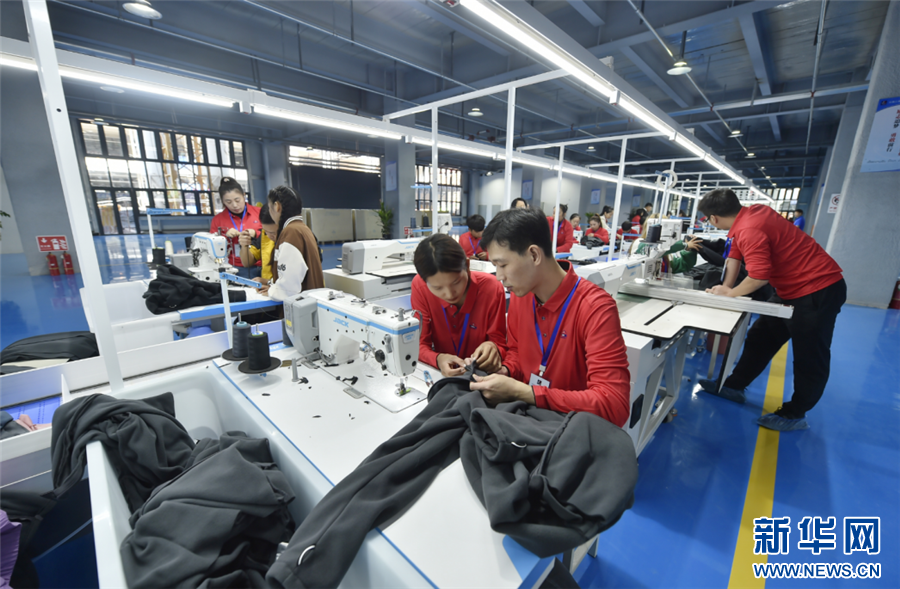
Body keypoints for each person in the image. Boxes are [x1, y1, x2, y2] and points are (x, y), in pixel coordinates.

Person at [696, 189, 846, 431]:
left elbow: (758, 277)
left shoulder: (749, 229)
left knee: (809, 354)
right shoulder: (752, 213)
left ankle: (795, 414)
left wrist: (730, 294)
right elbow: (734, 255)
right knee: (761, 336)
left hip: (817, 289)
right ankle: (733, 386)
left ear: (713, 218)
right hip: (790, 289)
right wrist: (726, 287)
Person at [469, 208, 631, 425]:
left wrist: (527, 393)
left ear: (534, 255)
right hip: (528, 421)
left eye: (503, 265)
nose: (499, 276)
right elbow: (517, 351)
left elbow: (614, 404)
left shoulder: (595, 309)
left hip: (570, 428)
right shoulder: (521, 295)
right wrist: (505, 371)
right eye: (495, 266)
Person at [410, 234, 507, 378]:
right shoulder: (420, 287)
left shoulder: (492, 289)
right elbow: (419, 344)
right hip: (442, 375)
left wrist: (493, 349)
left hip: (481, 376)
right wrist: (438, 359)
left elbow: (500, 343)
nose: (449, 294)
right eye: (437, 288)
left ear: (467, 265)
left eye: (456, 282)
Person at [258, 186, 324, 301]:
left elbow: (288, 289)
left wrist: (272, 291)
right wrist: (272, 285)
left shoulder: (290, 232)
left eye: (269, 207)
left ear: (277, 206)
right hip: (311, 301)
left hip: (301, 304)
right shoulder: (302, 228)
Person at [209, 177, 262, 278]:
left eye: (237, 200)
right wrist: (225, 237)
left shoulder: (260, 212)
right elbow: (212, 247)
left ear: (244, 195)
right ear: (223, 201)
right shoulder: (218, 220)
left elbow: (273, 234)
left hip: (265, 264)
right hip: (238, 267)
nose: (234, 205)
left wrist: (256, 233)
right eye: (228, 202)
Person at [238, 204, 276, 284]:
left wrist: (268, 282)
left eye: (273, 232)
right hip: (268, 286)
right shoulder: (264, 234)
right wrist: (244, 245)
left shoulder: (291, 236)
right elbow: (247, 262)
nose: (269, 236)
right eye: (266, 231)